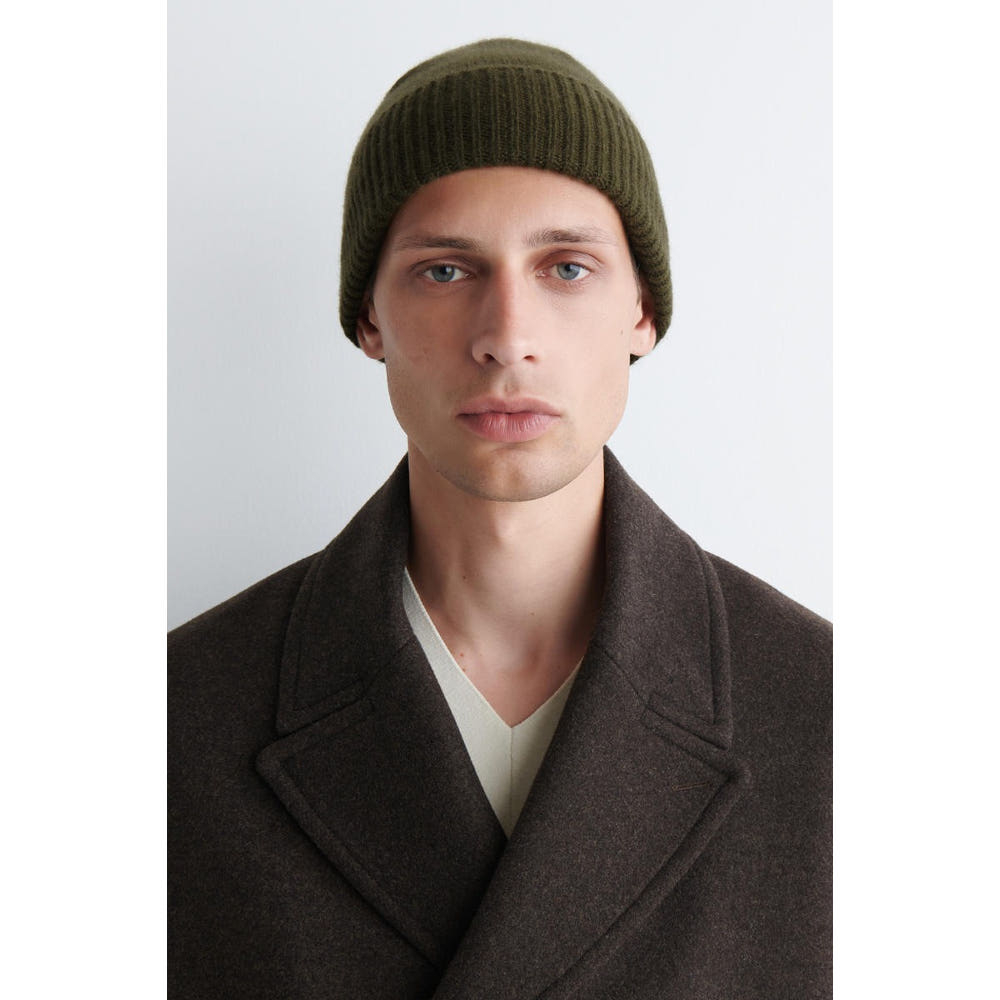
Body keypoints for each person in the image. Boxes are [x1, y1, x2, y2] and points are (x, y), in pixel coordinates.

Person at [169, 38, 831, 999]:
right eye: (445, 271)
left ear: (643, 311)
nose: (507, 337)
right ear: (369, 318)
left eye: (567, 268)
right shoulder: (179, 722)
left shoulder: (828, 714)